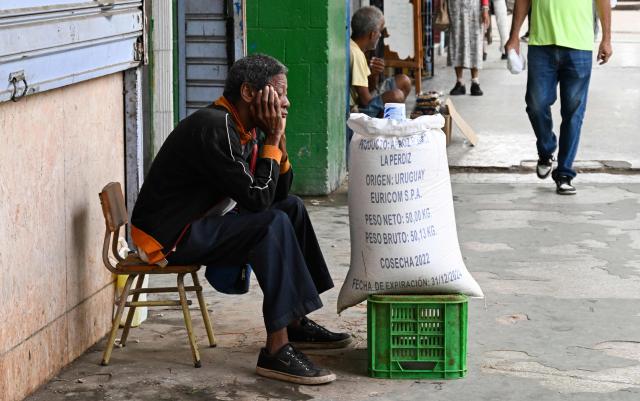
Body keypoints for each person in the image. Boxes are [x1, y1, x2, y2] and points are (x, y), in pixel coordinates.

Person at [130, 54, 351, 384]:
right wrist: (273, 139)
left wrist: (280, 143)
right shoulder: (214, 127)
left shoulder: (243, 128)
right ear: (249, 93)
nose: (286, 102)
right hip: (168, 238)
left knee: (290, 208)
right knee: (270, 224)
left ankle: (294, 320)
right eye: (279, 92)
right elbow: (258, 200)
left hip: (198, 223)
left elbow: (277, 195)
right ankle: (276, 351)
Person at [506, 0, 612, 194]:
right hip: (541, 44)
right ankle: (546, 150)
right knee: (536, 104)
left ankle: (564, 173)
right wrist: (514, 36)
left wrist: (607, 38)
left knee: (574, 112)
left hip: (579, 45)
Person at [350, 6, 412, 117]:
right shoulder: (357, 54)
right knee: (396, 96)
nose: (381, 35)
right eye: (380, 31)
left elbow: (369, 88)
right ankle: (387, 125)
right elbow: (365, 101)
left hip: (365, 99)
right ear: (372, 34)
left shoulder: (355, 47)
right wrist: (386, 101)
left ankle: (390, 117)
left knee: (404, 80)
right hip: (360, 109)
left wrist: (374, 74)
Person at [448, 0, 491, 96]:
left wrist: (485, 8)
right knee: (457, 39)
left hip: (475, 7)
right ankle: (459, 82)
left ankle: (475, 81)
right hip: (455, 6)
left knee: (475, 40)